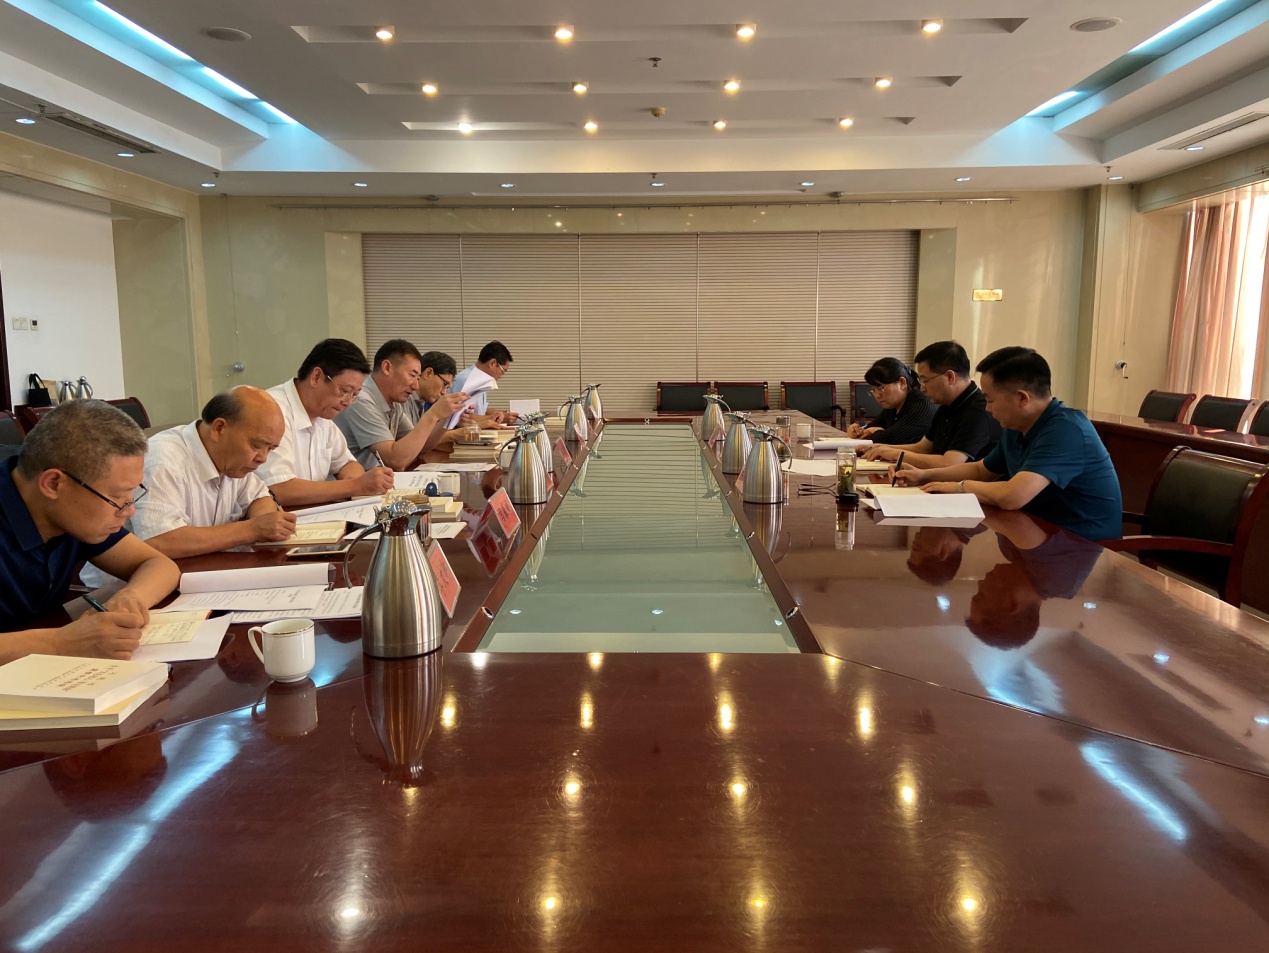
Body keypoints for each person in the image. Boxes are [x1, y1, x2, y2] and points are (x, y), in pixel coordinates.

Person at [0, 400, 180, 662]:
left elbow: (158, 564)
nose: (129, 510)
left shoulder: (67, 512)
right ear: (53, 484)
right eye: (116, 496)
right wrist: (60, 642)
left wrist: (130, 597)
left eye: (132, 492)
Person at [893, 346, 1123, 542]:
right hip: (1035, 534)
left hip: (1081, 547)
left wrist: (958, 487)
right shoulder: (1017, 427)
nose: (987, 408)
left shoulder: (1067, 430)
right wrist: (924, 476)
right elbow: (981, 470)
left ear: (1022, 398)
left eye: (990, 399)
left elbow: (1013, 496)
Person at [128, 386, 297, 558]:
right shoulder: (163, 460)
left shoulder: (232, 461)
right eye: (256, 445)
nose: (263, 458)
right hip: (155, 573)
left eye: (270, 449)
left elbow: (259, 496)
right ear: (219, 429)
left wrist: (266, 521)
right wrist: (252, 530)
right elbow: (159, 541)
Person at [256, 339, 395, 506]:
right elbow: (278, 489)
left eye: (354, 395)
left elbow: (347, 464)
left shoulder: (323, 414)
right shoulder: (273, 411)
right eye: (345, 391)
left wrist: (357, 481)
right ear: (316, 377)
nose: (348, 402)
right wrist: (354, 486)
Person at [967, 510, 1102, 649]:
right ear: (1011, 605)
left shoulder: (1011, 555)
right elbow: (1012, 520)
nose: (980, 582)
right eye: (980, 595)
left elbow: (1002, 511)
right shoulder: (1058, 581)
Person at [861, 340, 1000, 468]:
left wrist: (895, 454)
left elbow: (949, 463)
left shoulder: (977, 410)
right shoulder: (946, 405)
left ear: (950, 377)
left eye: (925, 380)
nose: (922, 388)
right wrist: (880, 448)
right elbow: (922, 448)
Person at [335, 340, 469, 470]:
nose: (415, 385)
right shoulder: (362, 400)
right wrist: (433, 414)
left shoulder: (393, 400)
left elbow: (420, 447)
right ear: (387, 368)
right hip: (357, 482)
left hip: (379, 480)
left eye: (418, 378)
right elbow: (394, 460)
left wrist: (446, 418)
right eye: (412, 375)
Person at [845, 358, 936, 444]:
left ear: (902, 383)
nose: (877, 395)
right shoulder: (892, 406)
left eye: (881, 388)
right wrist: (857, 431)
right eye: (873, 390)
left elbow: (888, 439)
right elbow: (868, 431)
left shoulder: (921, 406)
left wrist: (877, 432)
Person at [450, 340, 514, 425]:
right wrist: (495, 418)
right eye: (503, 371)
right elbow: (461, 418)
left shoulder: (480, 380)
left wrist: (502, 413)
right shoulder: (466, 380)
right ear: (492, 363)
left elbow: (480, 410)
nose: (501, 376)